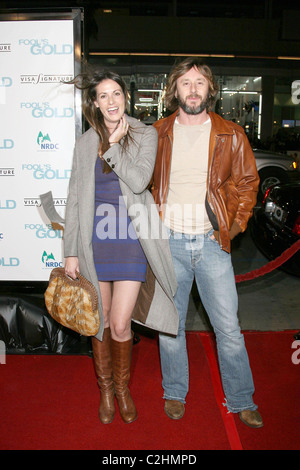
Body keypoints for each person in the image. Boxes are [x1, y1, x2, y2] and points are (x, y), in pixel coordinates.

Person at [152, 57, 263, 428]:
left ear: (210, 89)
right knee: (171, 326)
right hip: (169, 243)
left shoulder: (231, 133)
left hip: (213, 243)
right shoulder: (157, 134)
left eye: (200, 82)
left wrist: (234, 226)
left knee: (228, 328)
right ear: (175, 90)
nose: (194, 89)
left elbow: (248, 182)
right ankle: (174, 391)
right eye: (186, 82)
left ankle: (241, 398)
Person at [63, 69, 178, 424]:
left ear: (125, 98)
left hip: (130, 240)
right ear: (95, 103)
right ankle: (107, 391)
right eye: (104, 96)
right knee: (98, 323)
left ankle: (123, 388)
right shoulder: (84, 143)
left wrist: (113, 146)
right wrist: (71, 251)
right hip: (94, 243)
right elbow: (74, 198)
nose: (111, 101)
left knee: (119, 323)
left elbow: (140, 180)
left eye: (117, 94)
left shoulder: (144, 133)